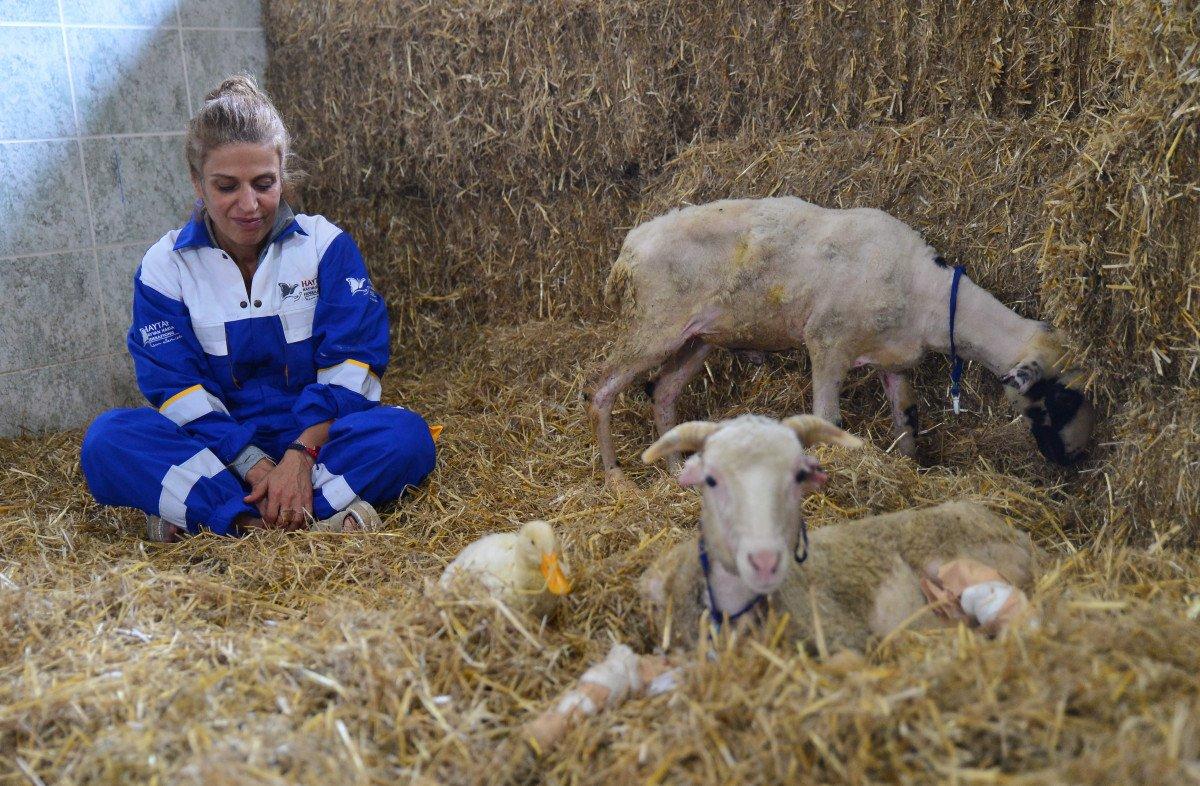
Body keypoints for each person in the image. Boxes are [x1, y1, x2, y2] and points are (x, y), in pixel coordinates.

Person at [81, 76, 436, 541]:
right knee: (108, 440)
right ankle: (292, 518)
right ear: (197, 182)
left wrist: (299, 457)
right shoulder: (164, 267)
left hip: (317, 448)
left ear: (282, 174)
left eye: (264, 183)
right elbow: (176, 389)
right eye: (226, 186)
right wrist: (255, 465)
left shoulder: (326, 246)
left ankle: (220, 520)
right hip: (219, 455)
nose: (248, 205)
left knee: (406, 436)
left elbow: (354, 367)